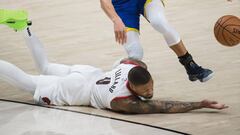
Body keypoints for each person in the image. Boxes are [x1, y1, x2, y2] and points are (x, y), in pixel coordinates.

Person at [0, 9, 228, 114]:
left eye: (151, 88)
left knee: (46, 67)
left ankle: (25, 27)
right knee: (29, 82)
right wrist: (200, 104)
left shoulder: (132, 66)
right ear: (132, 86)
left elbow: (133, 60)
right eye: (146, 90)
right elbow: (163, 107)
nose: (150, 92)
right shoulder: (121, 101)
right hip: (78, 89)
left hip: (88, 74)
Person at [100, 0, 216, 82]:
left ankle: (190, 65)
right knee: (135, 54)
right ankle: (114, 75)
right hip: (122, 6)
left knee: (159, 22)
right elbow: (104, 1)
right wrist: (116, 20)